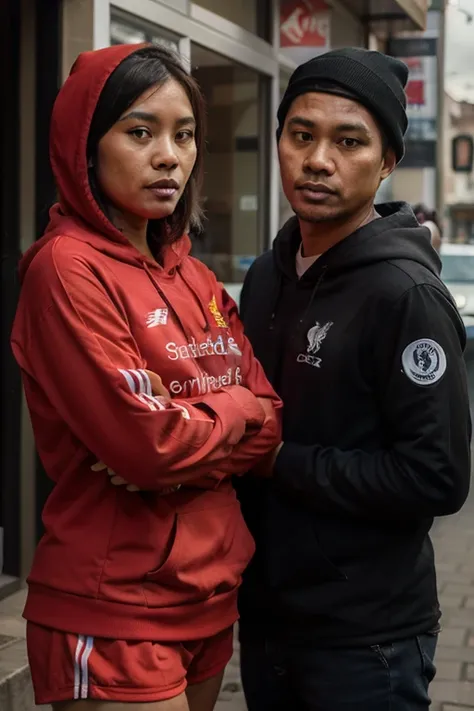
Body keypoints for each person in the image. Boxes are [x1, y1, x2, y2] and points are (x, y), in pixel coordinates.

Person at [11, 43, 282, 711]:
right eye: (141, 131)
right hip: (113, 603)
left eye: (184, 134)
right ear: (85, 144)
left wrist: (212, 421)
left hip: (211, 593)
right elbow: (148, 445)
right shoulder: (66, 268)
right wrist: (232, 413)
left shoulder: (194, 275)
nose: (170, 155)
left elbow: (272, 420)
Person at [236, 47, 471, 711]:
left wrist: (281, 462)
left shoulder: (406, 296)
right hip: (268, 622)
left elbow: (438, 476)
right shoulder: (267, 276)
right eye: (301, 135)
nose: (317, 160)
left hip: (368, 642)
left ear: (388, 159)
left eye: (349, 141)